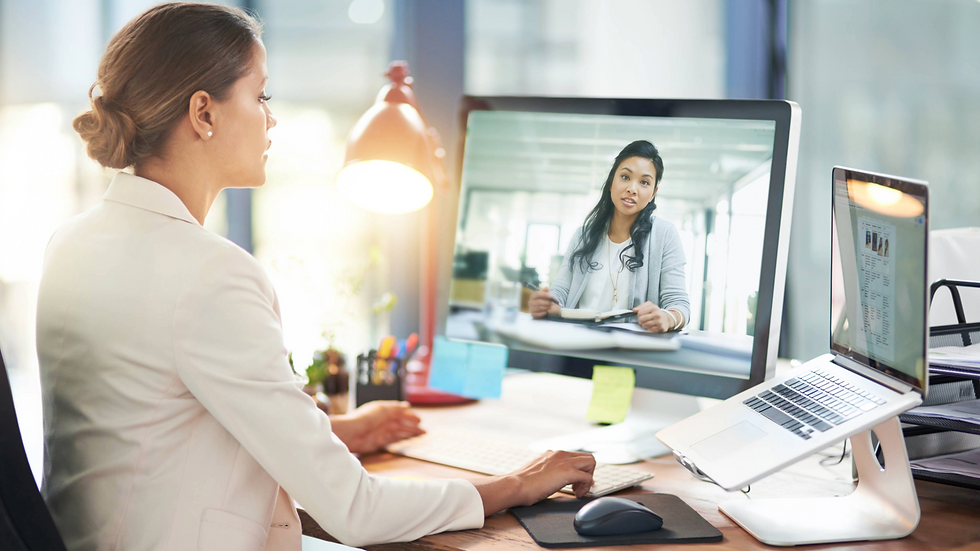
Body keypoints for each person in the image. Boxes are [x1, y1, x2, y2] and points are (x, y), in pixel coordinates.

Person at [36, 4, 595, 551]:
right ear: (203, 113)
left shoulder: (73, 243)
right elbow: (358, 512)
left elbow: (156, 425)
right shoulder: (208, 272)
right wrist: (519, 483)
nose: (271, 117)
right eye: (260, 96)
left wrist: (339, 433)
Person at [528, 140, 690, 333]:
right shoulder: (583, 235)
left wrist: (667, 317)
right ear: (612, 182)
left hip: (629, 350)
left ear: (653, 193)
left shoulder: (664, 236)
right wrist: (546, 304)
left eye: (644, 182)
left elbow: (680, 306)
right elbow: (561, 291)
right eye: (625, 177)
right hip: (575, 343)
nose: (632, 188)